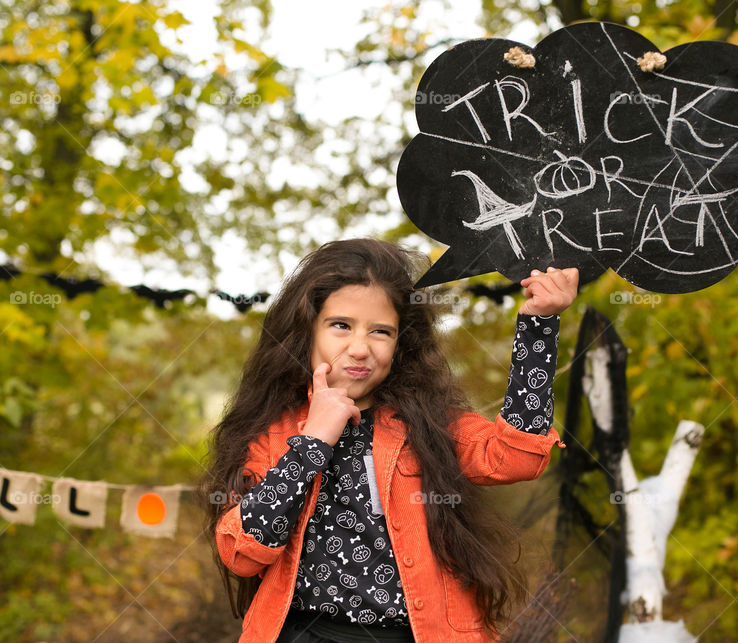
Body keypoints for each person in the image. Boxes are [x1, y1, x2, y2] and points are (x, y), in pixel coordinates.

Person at [200, 238, 579, 643]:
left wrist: (538, 326)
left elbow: (515, 458)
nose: (360, 348)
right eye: (341, 325)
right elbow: (240, 553)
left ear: (400, 346)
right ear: (306, 332)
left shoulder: (431, 423)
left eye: (381, 331)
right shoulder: (272, 432)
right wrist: (312, 444)